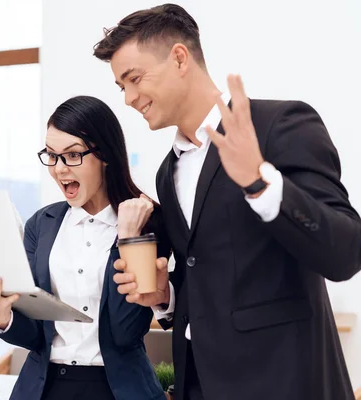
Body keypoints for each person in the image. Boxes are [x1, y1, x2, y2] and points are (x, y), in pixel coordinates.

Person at [92, 4, 361, 400]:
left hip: (282, 382)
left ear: (180, 58)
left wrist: (260, 182)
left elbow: (345, 252)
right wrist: (165, 297)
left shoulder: (279, 125)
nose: (129, 98)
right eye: (121, 87)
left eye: (134, 79)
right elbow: (207, 276)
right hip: (198, 383)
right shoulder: (169, 173)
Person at [0, 95, 168, 400]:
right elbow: (35, 335)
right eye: (51, 155)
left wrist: (127, 237)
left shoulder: (147, 220)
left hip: (118, 389)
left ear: (105, 154)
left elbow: (125, 332)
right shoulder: (42, 224)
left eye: (72, 155)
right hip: (44, 388)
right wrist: (1, 317)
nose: (59, 169)